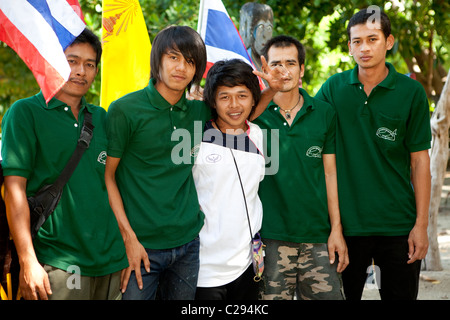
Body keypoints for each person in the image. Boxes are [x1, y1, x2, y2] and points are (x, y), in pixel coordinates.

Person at [104, 26, 283, 300]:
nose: (181, 67)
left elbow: (238, 113)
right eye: (173, 57)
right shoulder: (124, 110)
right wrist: (128, 239)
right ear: (157, 60)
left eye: (190, 61)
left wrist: (271, 90)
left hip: (188, 246)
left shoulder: (199, 113)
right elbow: (108, 177)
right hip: (142, 245)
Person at [1, 28, 128, 300]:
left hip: (113, 262)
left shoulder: (102, 118)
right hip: (58, 264)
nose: (81, 71)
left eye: (89, 64)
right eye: (72, 61)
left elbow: (114, 182)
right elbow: (14, 192)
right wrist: (27, 261)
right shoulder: (25, 113)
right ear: (53, 60)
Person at [316, 8, 431, 300]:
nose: (364, 48)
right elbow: (304, 124)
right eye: (356, 41)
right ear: (349, 46)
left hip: (398, 225)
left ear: (389, 41)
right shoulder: (333, 88)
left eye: (372, 39)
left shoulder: (411, 92)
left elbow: (420, 162)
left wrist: (421, 225)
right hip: (346, 227)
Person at [253, 35, 348, 300]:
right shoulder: (253, 114)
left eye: (291, 63)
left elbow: (330, 173)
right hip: (269, 239)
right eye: (276, 64)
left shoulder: (324, 113)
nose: (283, 71)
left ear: (302, 69)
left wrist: (336, 230)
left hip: (317, 237)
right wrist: (267, 91)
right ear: (265, 68)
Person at [193, 59, 265, 300]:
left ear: (254, 98)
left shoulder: (257, 135)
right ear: (212, 101)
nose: (234, 105)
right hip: (205, 267)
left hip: (248, 264)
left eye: (242, 95)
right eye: (224, 97)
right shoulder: (195, 137)